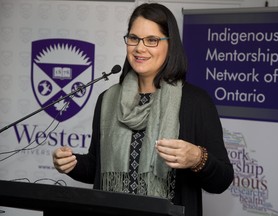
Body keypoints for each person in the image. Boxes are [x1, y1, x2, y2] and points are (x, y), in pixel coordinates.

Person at [52, 3, 234, 216]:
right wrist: (71, 163)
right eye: (133, 38)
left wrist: (197, 158)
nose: (139, 48)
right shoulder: (108, 100)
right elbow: (96, 169)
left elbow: (221, 180)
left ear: (170, 44)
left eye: (152, 40)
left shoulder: (195, 102)